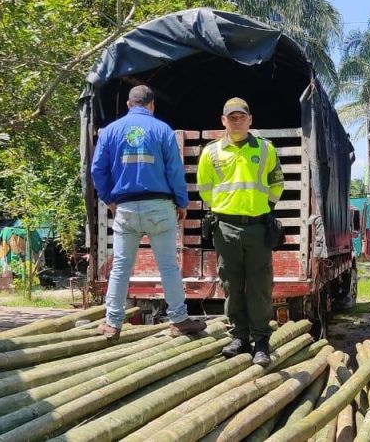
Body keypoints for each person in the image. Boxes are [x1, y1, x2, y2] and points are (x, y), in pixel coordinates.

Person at [91, 85, 207, 339]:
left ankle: (112, 323)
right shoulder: (162, 129)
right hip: (159, 206)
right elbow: (174, 170)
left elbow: (97, 170)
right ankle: (178, 319)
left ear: (129, 105)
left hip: (126, 207)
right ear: (152, 105)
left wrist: (110, 199)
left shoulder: (110, 131)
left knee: (121, 266)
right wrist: (182, 202)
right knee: (168, 266)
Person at [196, 97, 284, 366]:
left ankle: (261, 343)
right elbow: (205, 189)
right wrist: (226, 208)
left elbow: (276, 183)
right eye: (231, 117)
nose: (236, 121)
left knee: (259, 288)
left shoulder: (266, 149)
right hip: (225, 228)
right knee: (231, 286)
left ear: (250, 120)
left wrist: (261, 207)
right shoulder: (211, 152)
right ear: (223, 121)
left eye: (241, 117)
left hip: (258, 228)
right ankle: (239, 338)